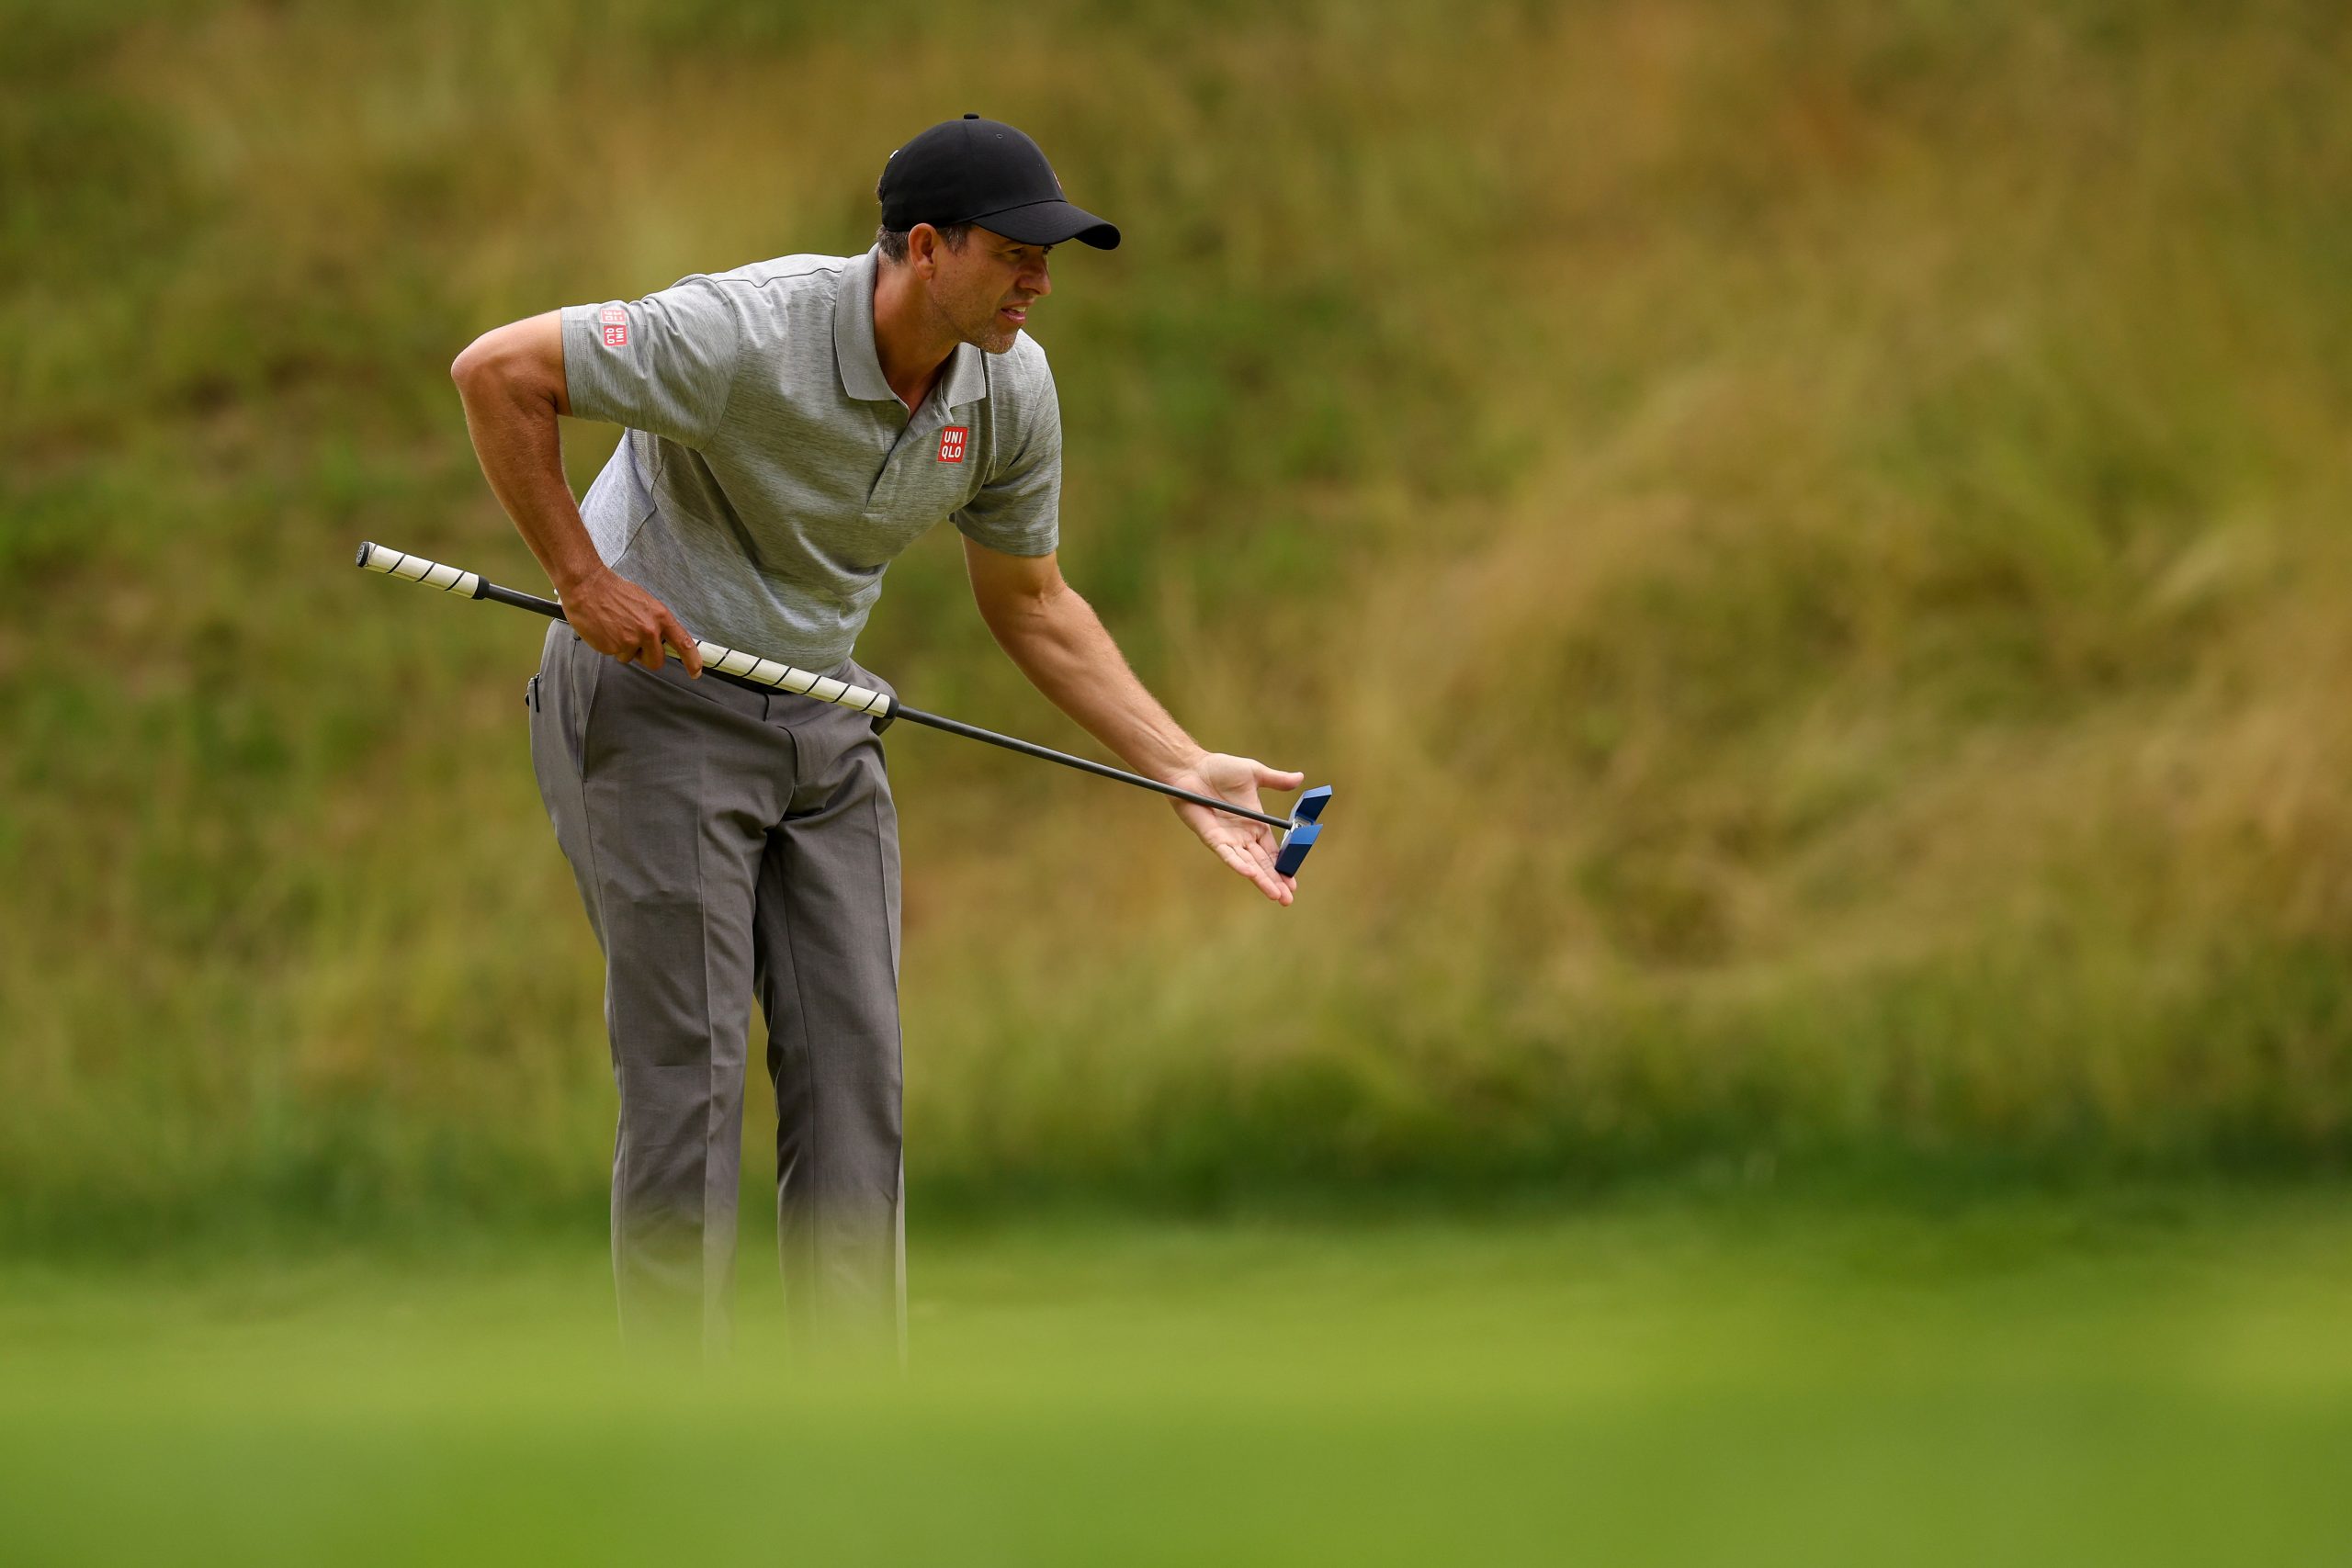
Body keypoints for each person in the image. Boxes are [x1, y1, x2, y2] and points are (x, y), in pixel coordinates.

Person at [448, 115, 1303, 1359]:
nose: (1040, 282)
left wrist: (1177, 762)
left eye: (1047, 258)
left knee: (856, 1082)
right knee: (691, 1077)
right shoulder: (746, 329)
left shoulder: (1009, 389)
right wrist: (581, 581)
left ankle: (851, 1430)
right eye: (1016, 254)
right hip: (657, 698)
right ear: (924, 247)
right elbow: (497, 371)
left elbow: (1033, 602)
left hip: (825, 713)